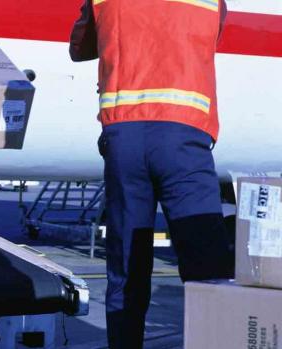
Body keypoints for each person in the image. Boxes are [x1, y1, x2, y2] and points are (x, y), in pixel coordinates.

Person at [70, 1, 234, 348]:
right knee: (208, 269)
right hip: (183, 138)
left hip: (124, 140)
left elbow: (79, 47)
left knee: (127, 267)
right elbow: (212, 35)